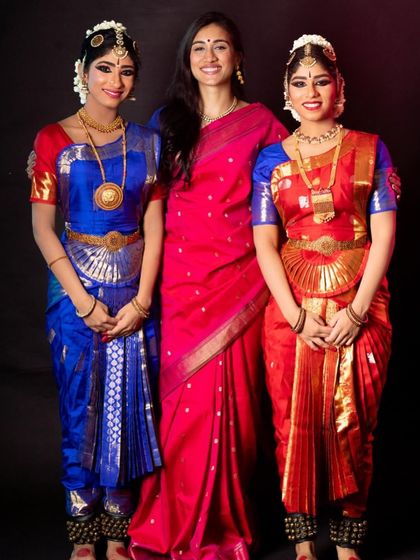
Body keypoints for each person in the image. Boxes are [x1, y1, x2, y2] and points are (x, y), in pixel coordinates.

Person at [128, 11, 288, 560]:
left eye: (221, 46)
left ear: (238, 58)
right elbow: (144, 203)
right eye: (199, 47)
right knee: (180, 409)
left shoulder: (263, 125)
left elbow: (291, 194)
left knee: (234, 415)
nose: (210, 57)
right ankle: (171, 521)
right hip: (178, 284)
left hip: (241, 285)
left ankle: (223, 529)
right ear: (187, 59)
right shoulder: (166, 122)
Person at [251, 34, 400, 560]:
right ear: (286, 92)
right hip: (289, 306)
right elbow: (264, 243)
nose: (310, 92)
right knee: (291, 421)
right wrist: (295, 317)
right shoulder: (270, 160)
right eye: (300, 83)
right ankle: (302, 544)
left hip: (360, 298)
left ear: (339, 88)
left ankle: (347, 542)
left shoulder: (370, 148)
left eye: (321, 81)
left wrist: (357, 312)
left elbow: (384, 233)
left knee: (355, 422)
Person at [28, 20, 164, 560]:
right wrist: (84, 302)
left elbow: (155, 227)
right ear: (82, 73)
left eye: (126, 71)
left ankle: (118, 530)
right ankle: (83, 534)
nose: (115, 80)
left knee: (128, 406)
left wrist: (142, 301)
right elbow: (43, 228)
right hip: (74, 290)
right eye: (104, 68)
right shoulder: (53, 139)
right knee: (80, 407)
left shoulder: (149, 142)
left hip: (135, 288)